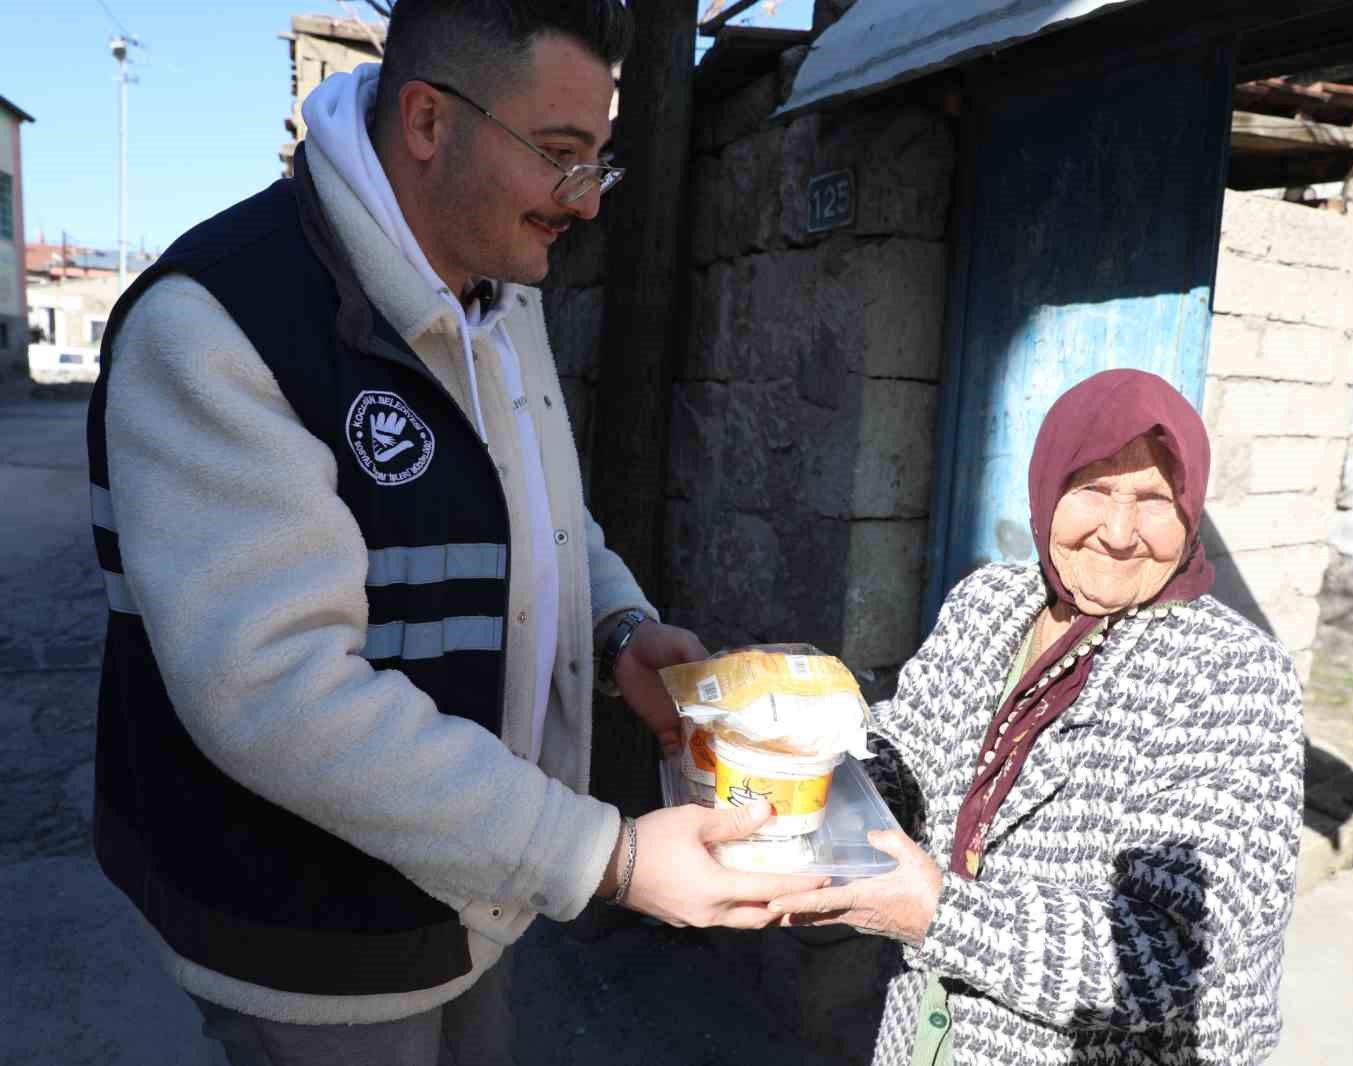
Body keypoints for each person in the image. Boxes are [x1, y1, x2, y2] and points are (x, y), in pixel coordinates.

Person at [85, 2, 824, 1063]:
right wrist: (607, 859)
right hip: (314, 943)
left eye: (598, 159)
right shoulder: (218, 325)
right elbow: (278, 693)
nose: (587, 200)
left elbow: (540, 505)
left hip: (476, 898)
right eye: (559, 155)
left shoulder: (496, 288)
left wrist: (616, 625)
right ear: (428, 121)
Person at [769, 369, 1305, 1065]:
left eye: (1153, 499)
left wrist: (939, 915)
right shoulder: (989, 603)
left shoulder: (1233, 675)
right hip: (928, 1029)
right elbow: (913, 744)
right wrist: (816, 774)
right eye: (1094, 489)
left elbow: (1169, 952)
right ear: (1050, 486)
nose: (1119, 533)